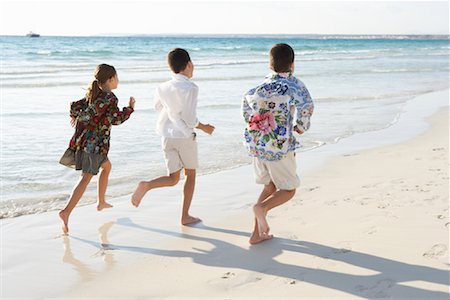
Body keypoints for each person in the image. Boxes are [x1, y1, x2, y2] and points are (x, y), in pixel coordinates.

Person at [131, 48, 214, 226]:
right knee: (190, 174)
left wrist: (173, 113)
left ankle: (147, 185)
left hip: (166, 135)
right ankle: (185, 216)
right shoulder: (191, 88)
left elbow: (158, 107)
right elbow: (190, 119)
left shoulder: (162, 87)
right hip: (183, 136)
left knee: (173, 178)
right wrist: (204, 127)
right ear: (189, 65)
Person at [241, 43, 314, 244]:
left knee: (270, 186)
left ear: (269, 64)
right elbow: (307, 106)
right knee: (289, 189)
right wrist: (301, 126)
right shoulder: (294, 85)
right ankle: (261, 209)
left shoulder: (258, 87)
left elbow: (246, 111)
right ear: (293, 64)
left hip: (258, 146)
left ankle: (257, 235)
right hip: (279, 147)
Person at [59, 64, 135, 234]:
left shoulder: (93, 94)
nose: (118, 80)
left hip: (88, 144)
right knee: (85, 178)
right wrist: (130, 108)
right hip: (94, 147)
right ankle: (66, 212)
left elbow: (74, 105)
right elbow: (116, 119)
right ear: (110, 79)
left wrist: (73, 116)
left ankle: (101, 202)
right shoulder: (110, 98)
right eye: (116, 77)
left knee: (107, 167)